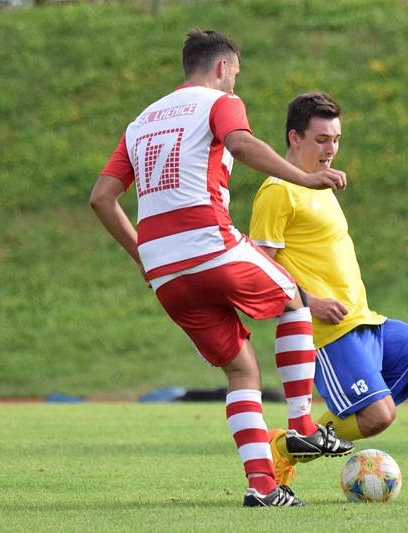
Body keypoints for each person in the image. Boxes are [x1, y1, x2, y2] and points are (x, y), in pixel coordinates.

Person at [90, 33, 354, 508]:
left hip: (165, 272)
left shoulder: (140, 122)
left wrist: (145, 256)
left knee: (241, 370)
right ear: (221, 67)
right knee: (293, 298)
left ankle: (263, 488)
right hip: (209, 242)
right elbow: (242, 144)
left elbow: (101, 197)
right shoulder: (220, 101)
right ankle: (301, 426)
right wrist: (307, 178)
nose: (235, 79)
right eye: (235, 72)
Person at [249, 92, 408, 505]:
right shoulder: (277, 191)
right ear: (295, 137)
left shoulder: (321, 186)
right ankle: (284, 447)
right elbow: (258, 267)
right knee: (378, 417)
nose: (331, 150)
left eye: (337, 139)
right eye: (321, 139)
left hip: (366, 320)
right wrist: (308, 301)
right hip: (329, 332)